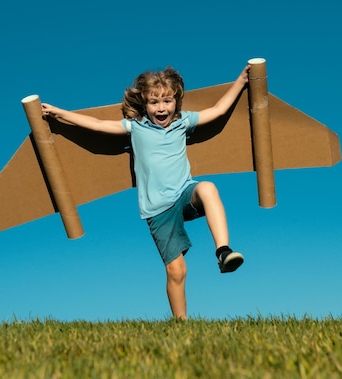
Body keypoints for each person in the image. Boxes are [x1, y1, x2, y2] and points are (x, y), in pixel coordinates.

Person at [42, 65, 249, 320]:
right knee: (177, 271)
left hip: (184, 193)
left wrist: (240, 81)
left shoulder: (183, 122)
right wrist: (58, 113)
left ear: (176, 101)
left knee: (208, 188)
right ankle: (181, 323)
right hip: (157, 210)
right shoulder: (135, 127)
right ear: (145, 104)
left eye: (167, 100)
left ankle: (223, 252)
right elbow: (95, 124)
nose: (161, 108)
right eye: (154, 102)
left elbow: (217, 111)